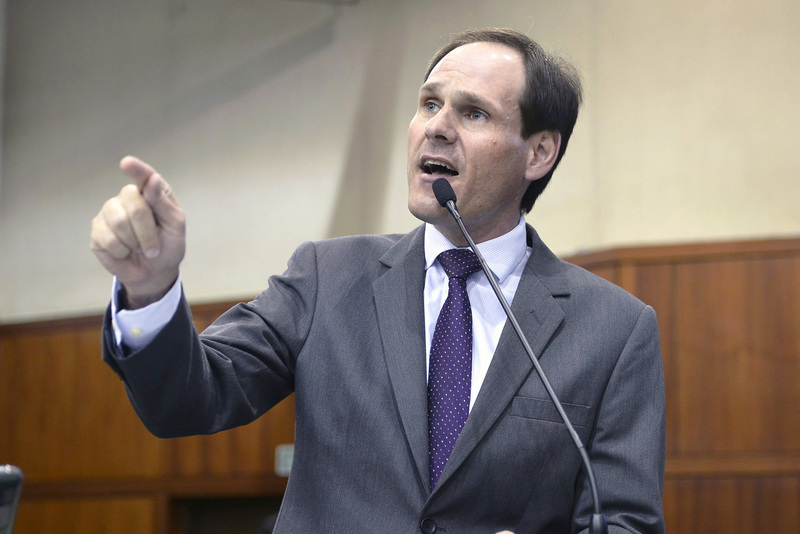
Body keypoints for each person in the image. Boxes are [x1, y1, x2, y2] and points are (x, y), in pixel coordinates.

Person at [91, 28, 665, 533]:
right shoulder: (325, 277)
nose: (436, 128)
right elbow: (189, 401)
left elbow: (626, 521)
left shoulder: (614, 329)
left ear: (538, 152)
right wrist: (150, 291)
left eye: (473, 113)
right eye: (429, 104)